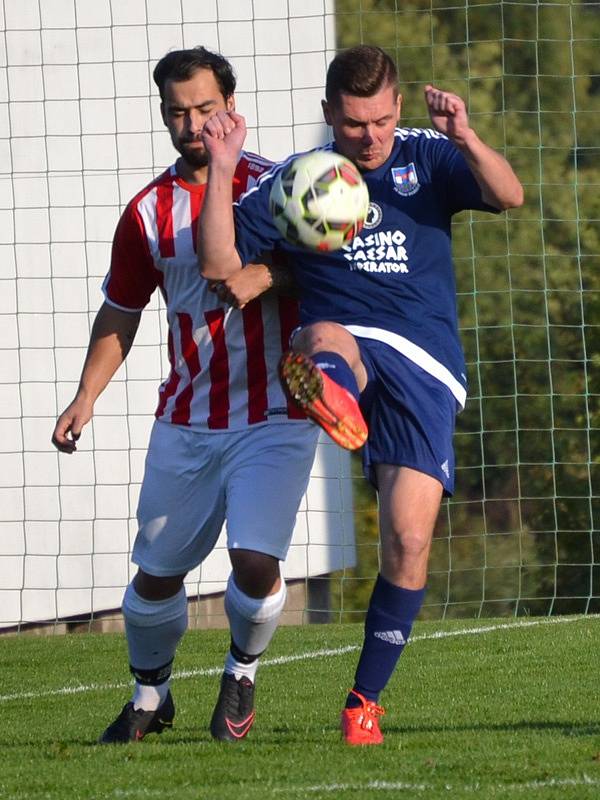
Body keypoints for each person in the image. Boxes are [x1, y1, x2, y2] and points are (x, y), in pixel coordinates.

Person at [196, 44, 524, 745]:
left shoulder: (427, 155)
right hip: (342, 335)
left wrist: (463, 135)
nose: (368, 137)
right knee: (328, 341)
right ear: (328, 116)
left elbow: (509, 195)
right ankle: (331, 392)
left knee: (408, 542)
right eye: (351, 124)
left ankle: (362, 703)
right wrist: (223, 168)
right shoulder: (301, 179)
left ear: (397, 109)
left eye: (378, 121)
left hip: (425, 363)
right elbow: (221, 265)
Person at [51, 46, 319, 744]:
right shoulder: (147, 211)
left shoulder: (283, 189)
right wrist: (86, 396)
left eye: (205, 107)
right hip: (188, 418)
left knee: (255, 558)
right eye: (178, 111)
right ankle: (150, 694)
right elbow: (120, 309)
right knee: (156, 578)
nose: (193, 122)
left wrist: (274, 277)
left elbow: (328, 275)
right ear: (165, 116)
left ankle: (241, 673)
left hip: (276, 411)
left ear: (232, 107)